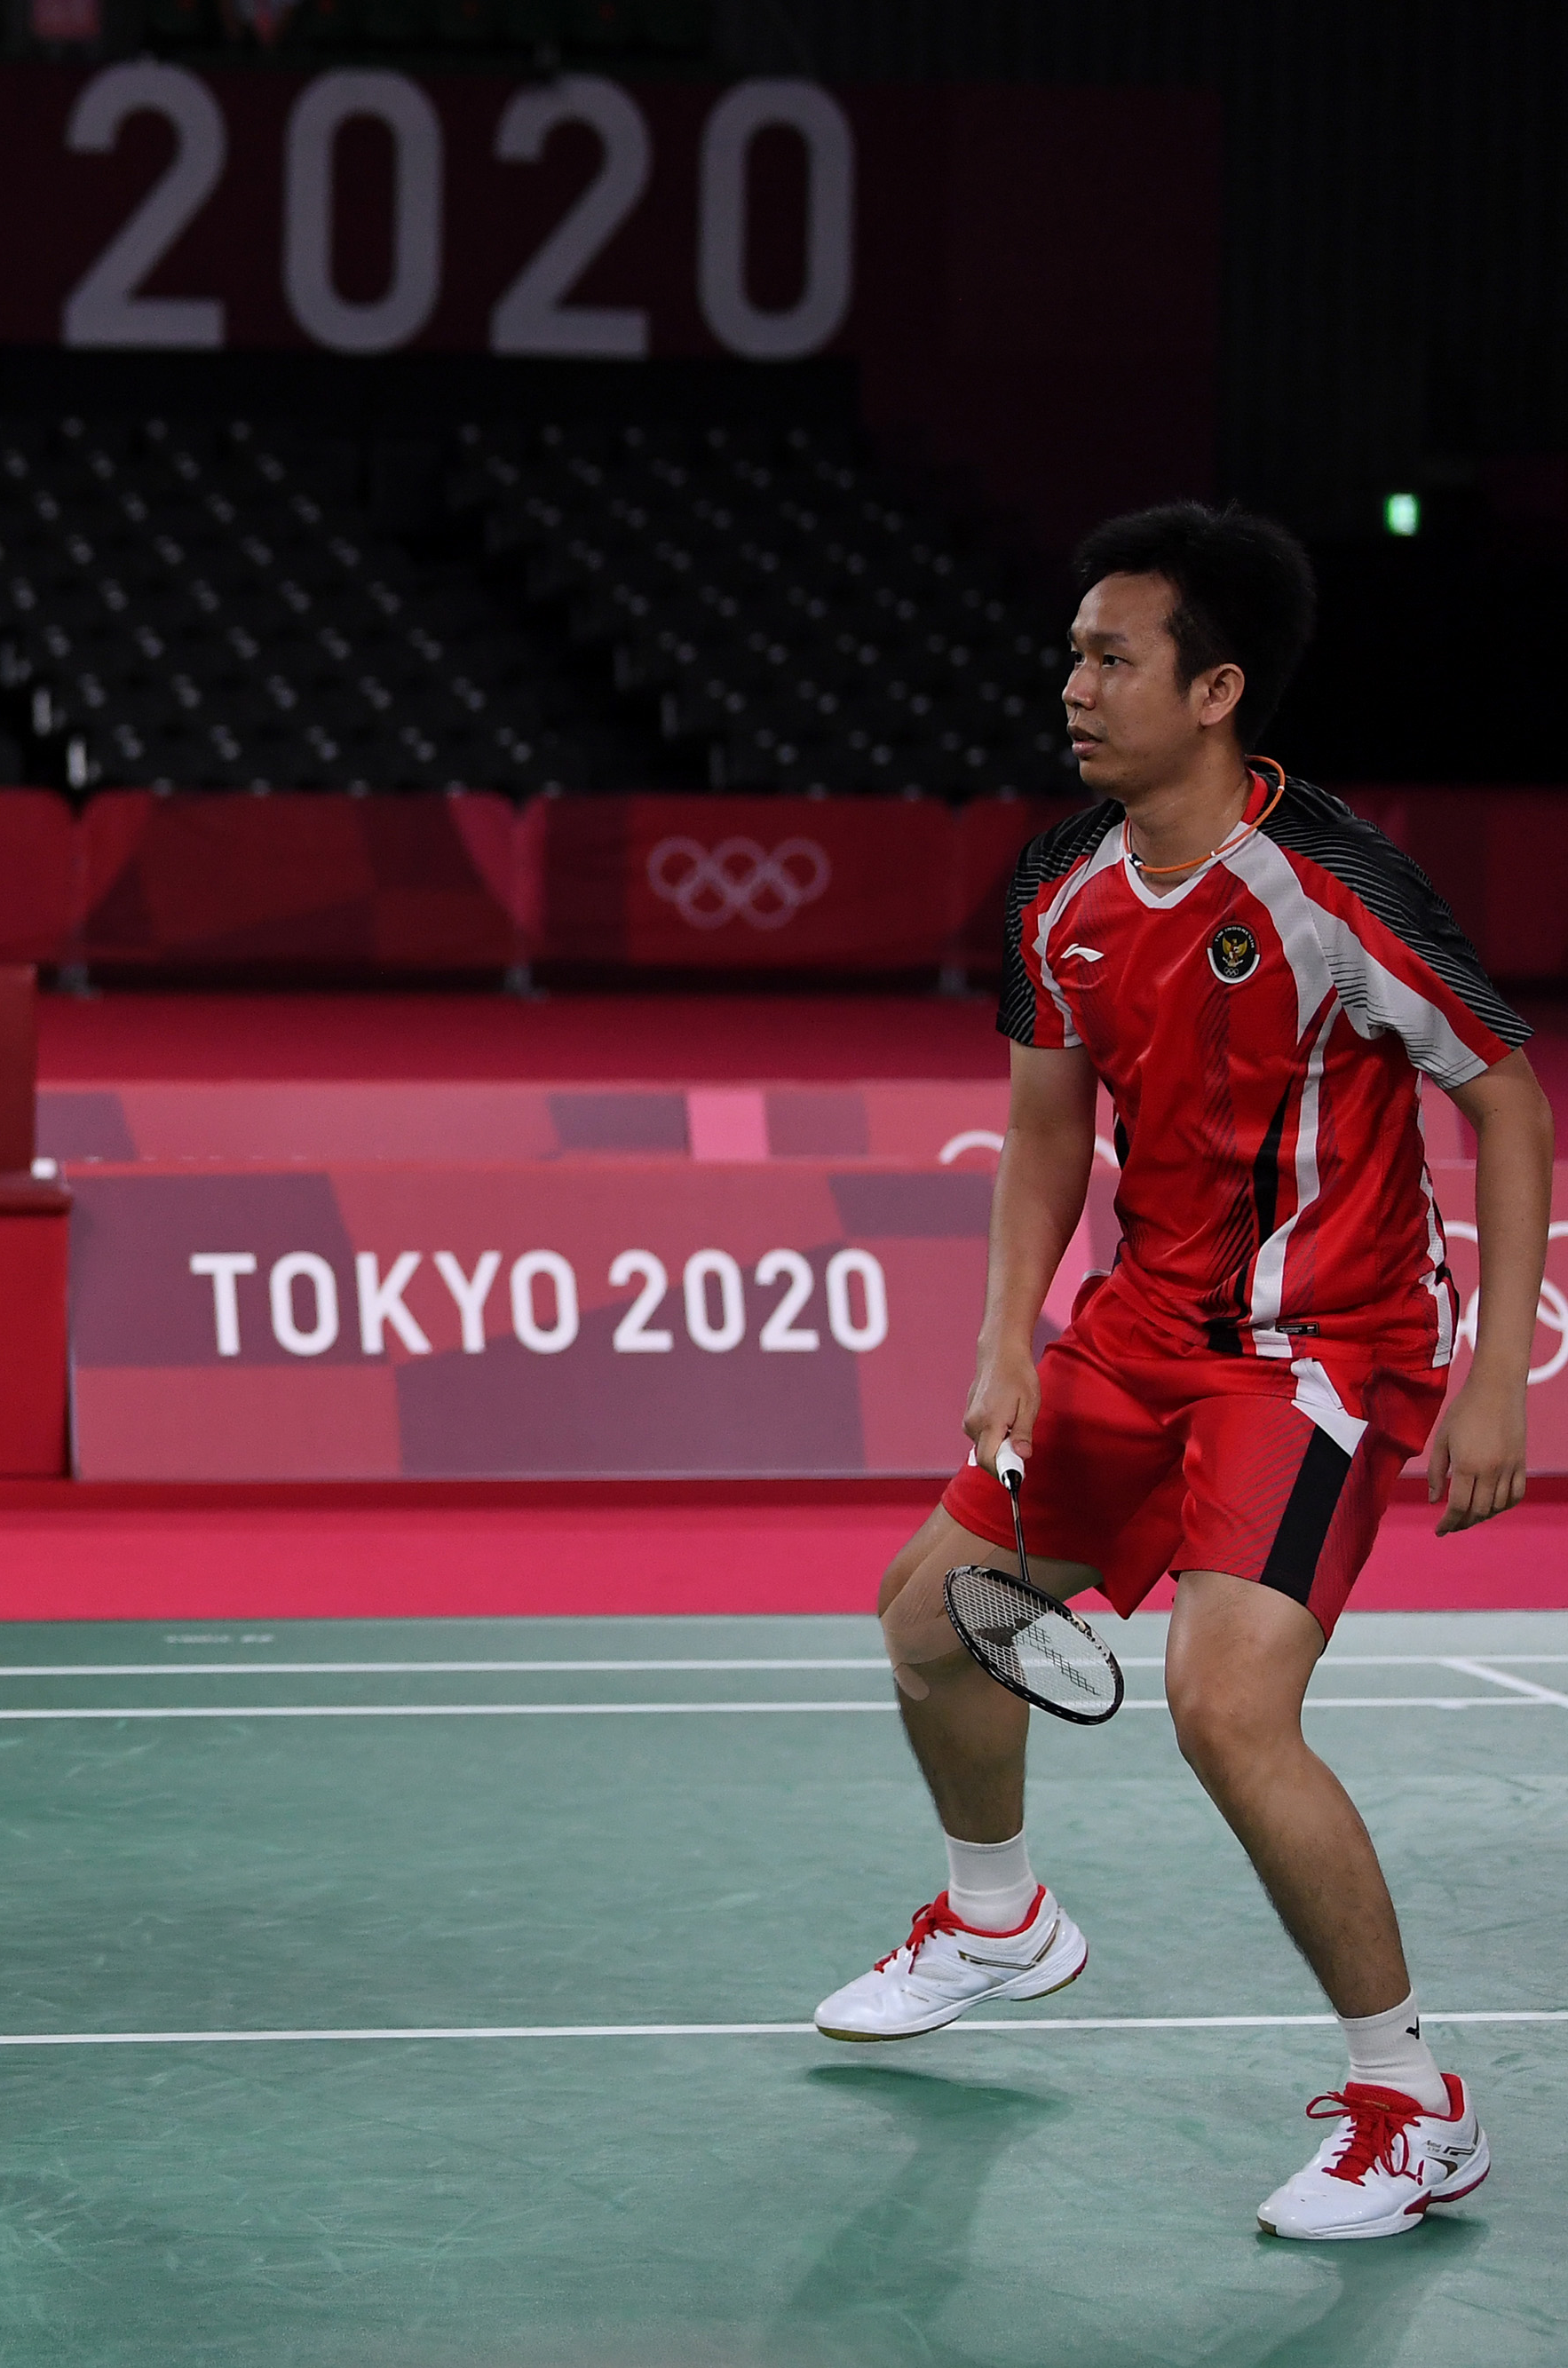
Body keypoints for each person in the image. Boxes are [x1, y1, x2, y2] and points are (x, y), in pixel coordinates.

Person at [812, 503, 1550, 2241]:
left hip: (1318, 1350)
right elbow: (1040, 1120)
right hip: (1139, 1328)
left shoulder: (1330, 889)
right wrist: (1005, 1332)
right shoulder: (1062, 882)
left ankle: (1410, 2099)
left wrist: (1499, 1372)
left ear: (1213, 689)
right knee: (926, 1623)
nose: (1071, 682)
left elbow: (1500, 1091)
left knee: (1225, 1703)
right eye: (1071, 649)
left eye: (1109, 656)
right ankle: (995, 1915)